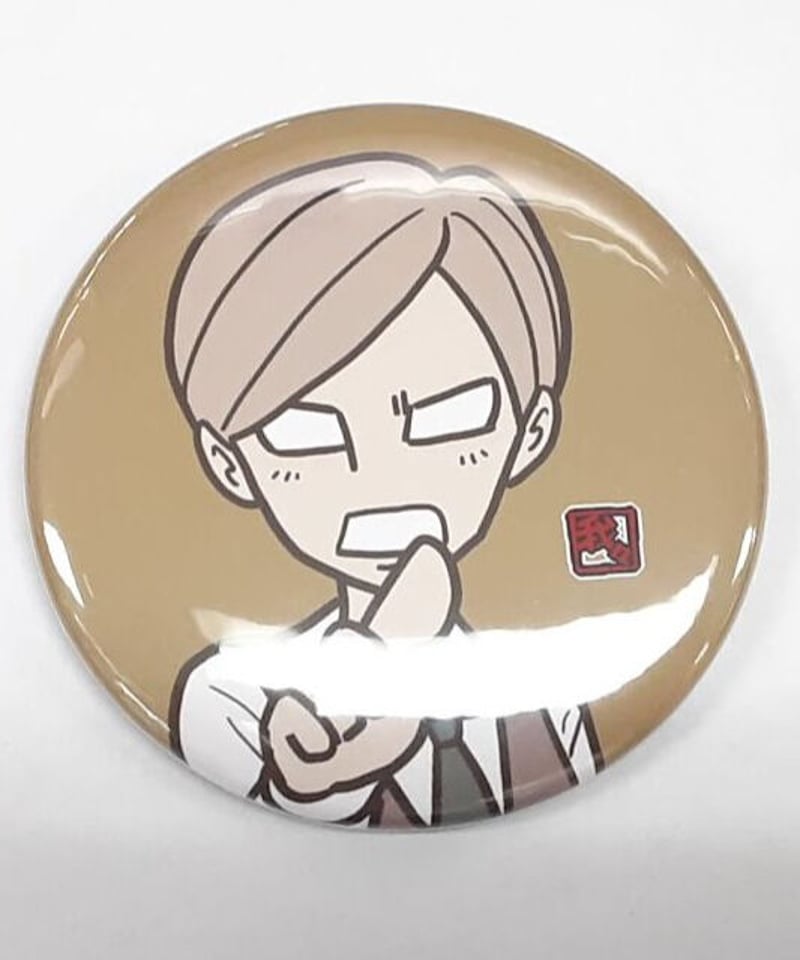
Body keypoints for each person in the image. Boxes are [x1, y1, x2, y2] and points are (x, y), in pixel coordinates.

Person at [165, 154, 602, 826]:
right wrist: (328, 767)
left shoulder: (555, 690)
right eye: (305, 433)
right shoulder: (234, 696)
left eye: (449, 417)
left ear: (531, 431)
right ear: (228, 462)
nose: (378, 477)